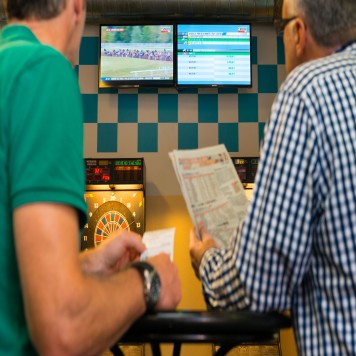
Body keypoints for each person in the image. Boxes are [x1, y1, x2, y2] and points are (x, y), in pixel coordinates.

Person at [0, 0, 181, 355]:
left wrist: (86, 265)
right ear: (77, 7)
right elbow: (62, 329)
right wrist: (150, 280)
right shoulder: (42, 69)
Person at [189, 0, 356, 354]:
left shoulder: (306, 92)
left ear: (298, 32)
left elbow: (257, 285)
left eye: (280, 29)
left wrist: (207, 260)